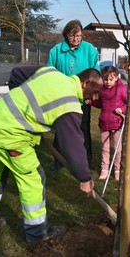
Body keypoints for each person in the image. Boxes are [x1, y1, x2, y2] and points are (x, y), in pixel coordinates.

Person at [0, 66, 103, 243]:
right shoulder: (69, 103)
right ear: (86, 83)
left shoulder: (50, 72)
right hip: (9, 136)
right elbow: (73, 145)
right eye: (95, 92)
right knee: (34, 180)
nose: (95, 98)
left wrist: (26, 109)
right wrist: (85, 177)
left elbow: (16, 74)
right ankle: (38, 232)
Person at [47, 19, 100, 170]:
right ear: (66, 35)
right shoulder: (56, 50)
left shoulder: (90, 50)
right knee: (61, 129)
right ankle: (58, 161)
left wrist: (92, 94)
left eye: (79, 36)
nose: (76, 39)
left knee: (83, 130)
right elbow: (49, 72)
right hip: (62, 98)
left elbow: (95, 73)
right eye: (72, 36)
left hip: (83, 98)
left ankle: (86, 161)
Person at [92, 66, 127, 181]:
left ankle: (117, 170)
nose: (108, 82)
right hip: (104, 123)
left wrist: (122, 111)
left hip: (117, 123)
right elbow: (100, 104)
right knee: (104, 148)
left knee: (117, 148)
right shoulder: (102, 90)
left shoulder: (122, 89)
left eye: (111, 79)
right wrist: (92, 101)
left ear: (116, 78)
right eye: (106, 79)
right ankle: (104, 169)